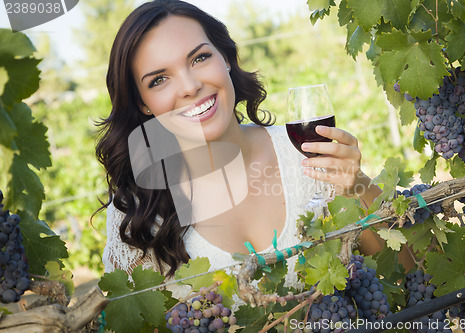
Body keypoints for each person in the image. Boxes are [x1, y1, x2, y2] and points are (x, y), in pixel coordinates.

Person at [96, 0, 384, 300]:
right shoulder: (137, 212)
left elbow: (405, 276)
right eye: (159, 80)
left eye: (199, 58)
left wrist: (358, 186)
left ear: (227, 58)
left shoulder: (306, 154)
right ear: (143, 104)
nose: (190, 86)